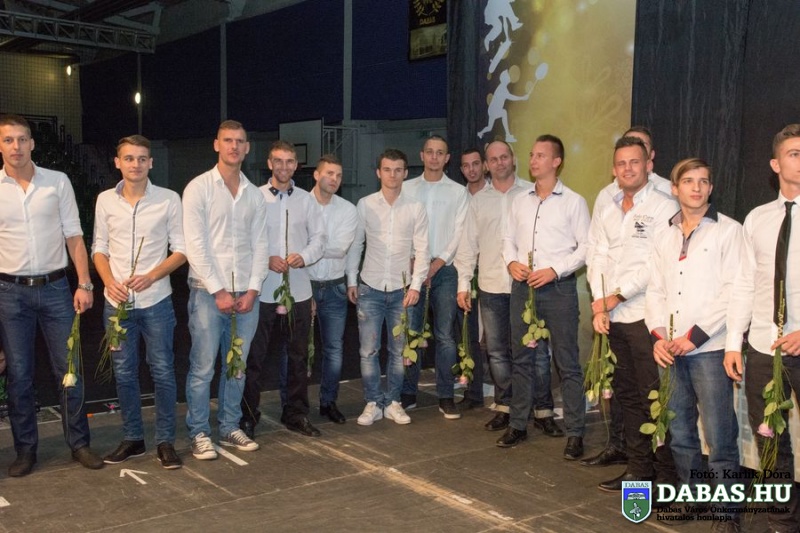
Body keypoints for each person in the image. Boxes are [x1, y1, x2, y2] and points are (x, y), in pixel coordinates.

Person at [0, 113, 103, 477]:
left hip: (57, 290)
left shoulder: (57, 181)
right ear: (0, 146)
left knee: (69, 371)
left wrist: (85, 283)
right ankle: (26, 450)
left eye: (22, 139)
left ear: (32, 143)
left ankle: (79, 443)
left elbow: (74, 236)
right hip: (10, 294)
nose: (16, 146)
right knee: (19, 376)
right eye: (8, 140)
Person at [646, 158, 742, 526]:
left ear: (711, 188)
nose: (697, 187)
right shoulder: (664, 235)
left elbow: (733, 291)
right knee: (681, 432)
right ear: (675, 188)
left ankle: (727, 513)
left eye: (703, 181)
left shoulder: (728, 231)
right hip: (669, 352)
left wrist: (695, 337)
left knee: (720, 437)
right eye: (688, 181)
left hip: (709, 350)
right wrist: (659, 337)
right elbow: (655, 290)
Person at [587, 136, 678, 491]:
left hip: (646, 317)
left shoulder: (663, 206)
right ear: (614, 169)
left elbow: (657, 263)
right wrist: (600, 300)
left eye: (634, 162)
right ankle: (639, 471)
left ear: (648, 165)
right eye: (621, 163)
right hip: (612, 317)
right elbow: (596, 255)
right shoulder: (607, 206)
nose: (628, 168)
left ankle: (666, 476)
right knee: (626, 395)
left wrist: (617, 295)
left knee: (653, 397)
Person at [93, 135, 186, 469]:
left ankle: (165, 441)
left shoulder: (169, 199)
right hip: (116, 304)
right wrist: (108, 281)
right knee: (124, 373)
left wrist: (152, 276)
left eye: (142, 158)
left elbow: (181, 250)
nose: (136, 164)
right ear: (117, 162)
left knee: (162, 371)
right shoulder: (105, 200)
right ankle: (133, 438)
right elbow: (99, 248)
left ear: (151, 163)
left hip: (156, 301)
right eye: (129, 158)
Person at [725, 124, 800, 532]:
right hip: (761, 347)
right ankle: (782, 521)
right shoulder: (757, 218)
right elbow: (743, 284)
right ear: (775, 164)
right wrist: (733, 343)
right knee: (770, 441)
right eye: (794, 154)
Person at [182, 120, 268, 460]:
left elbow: (261, 245)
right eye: (228, 140)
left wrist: (253, 290)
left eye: (240, 141)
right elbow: (195, 245)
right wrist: (218, 291)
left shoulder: (254, 195)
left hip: (246, 295)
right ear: (216, 144)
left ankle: (230, 425)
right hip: (207, 293)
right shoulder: (198, 188)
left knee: (237, 366)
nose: (234, 146)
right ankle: (199, 432)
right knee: (203, 367)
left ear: (247, 148)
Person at [501, 135, 589, 459]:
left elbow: (586, 247)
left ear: (557, 161)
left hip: (558, 289)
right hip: (523, 288)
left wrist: (555, 270)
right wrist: (511, 262)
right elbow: (508, 239)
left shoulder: (574, 202)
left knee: (567, 362)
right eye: (531, 155)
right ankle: (518, 425)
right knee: (521, 359)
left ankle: (575, 433)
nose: (533, 160)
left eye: (541, 155)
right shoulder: (519, 201)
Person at [240, 140, 325, 439]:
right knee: (254, 358)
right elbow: (243, 240)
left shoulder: (307, 200)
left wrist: (305, 256)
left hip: (298, 290)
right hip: (261, 291)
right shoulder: (254, 197)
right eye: (279, 161)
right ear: (269, 163)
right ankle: (248, 416)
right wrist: (265, 259)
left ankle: (296, 414)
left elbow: (319, 239)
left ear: (296, 165)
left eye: (290, 161)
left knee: (298, 357)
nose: (284, 166)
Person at [347, 149, 429, 426]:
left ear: (405, 173)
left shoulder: (416, 207)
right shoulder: (365, 205)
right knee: (368, 351)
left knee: (399, 351)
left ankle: (393, 402)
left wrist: (415, 286)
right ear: (378, 173)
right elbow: (356, 244)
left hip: (402, 291)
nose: (392, 175)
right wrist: (351, 280)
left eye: (398, 170)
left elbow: (423, 250)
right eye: (387, 169)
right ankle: (372, 402)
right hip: (369, 288)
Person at [455, 140, 531, 433]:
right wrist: (463, 284)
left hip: (526, 286)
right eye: (493, 159)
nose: (499, 163)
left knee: (528, 351)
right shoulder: (478, 201)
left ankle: (538, 408)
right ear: (487, 165)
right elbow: (467, 246)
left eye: (504, 157)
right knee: (497, 352)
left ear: (513, 159)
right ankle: (505, 407)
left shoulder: (530, 194)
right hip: (490, 286)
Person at [401, 135, 468, 420]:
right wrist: (414, 261)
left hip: (445, 271)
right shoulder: (406, 188)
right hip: (412, 268)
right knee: (411, 332)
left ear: (447, 158)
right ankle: (407, 392)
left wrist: (437, 263)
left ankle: (445, 395)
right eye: (430, 152)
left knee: (445, 336)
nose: (434, 157)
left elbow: (459, 232)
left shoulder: (458, 192)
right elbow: (401, 227)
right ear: (422, 155)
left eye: (440, 153)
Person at [307, 155, 358, 424]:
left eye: (338, 175)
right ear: (316, 175)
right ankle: (293, 405)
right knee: (296, 350)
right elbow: (293, 248)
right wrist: (310, 250)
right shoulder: (300, 204)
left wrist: (308, 248)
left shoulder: (348, 210)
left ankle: (328, 402)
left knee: (334, 350)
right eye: (329, 174)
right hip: (304, 286)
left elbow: (340, 249)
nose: (334, 179)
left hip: (335, 288)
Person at [457, 148, 490, 409]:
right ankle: (473, 392)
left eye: (476, 164)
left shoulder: (495, 194)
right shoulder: (458, 197)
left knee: (498, 339)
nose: (472, 169)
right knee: (468, 334)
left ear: (485, 166)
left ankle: (509, 396)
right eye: (466, 165)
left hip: (493, 274)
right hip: (464, 272)